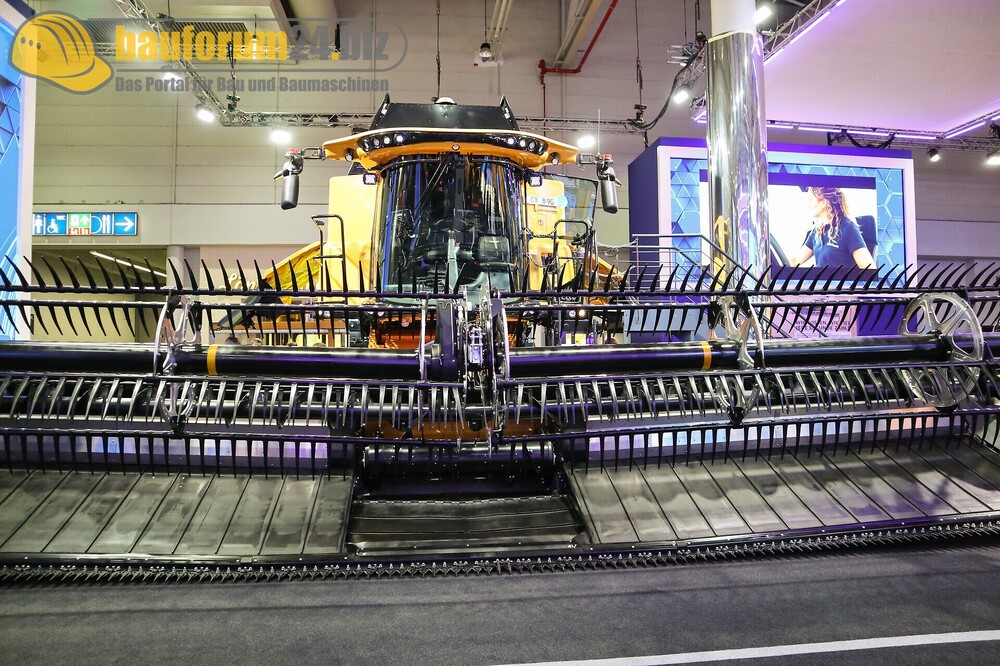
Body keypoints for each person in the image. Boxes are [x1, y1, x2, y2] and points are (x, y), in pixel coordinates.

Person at [790, 187, 875, 269]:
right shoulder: (816, 232)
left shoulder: (848, 228)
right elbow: (796, 260)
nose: (808, 205)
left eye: (811, 200)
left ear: (823, 202)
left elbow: (868, 268)